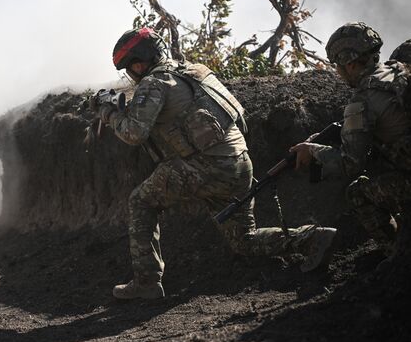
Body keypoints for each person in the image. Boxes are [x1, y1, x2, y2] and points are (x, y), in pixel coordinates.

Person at [97, 27, 336, 300]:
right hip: (239, 163)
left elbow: (133, 133)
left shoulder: (154, 83)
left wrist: (108, 112)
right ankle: (312, 238)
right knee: (244, 241)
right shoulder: (196, 71)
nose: (130, 75)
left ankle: (146, 282)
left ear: (138, 63)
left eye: (129, 68)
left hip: (205, 168)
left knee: (140, 201)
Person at [290, 22, 411, 264]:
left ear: (350, 63)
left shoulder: (361, 102)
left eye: (338, 65)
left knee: (358, 192)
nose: (338, 72)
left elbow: (351, 163)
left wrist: (312, 151)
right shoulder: (399, 69)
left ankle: (397, 256)